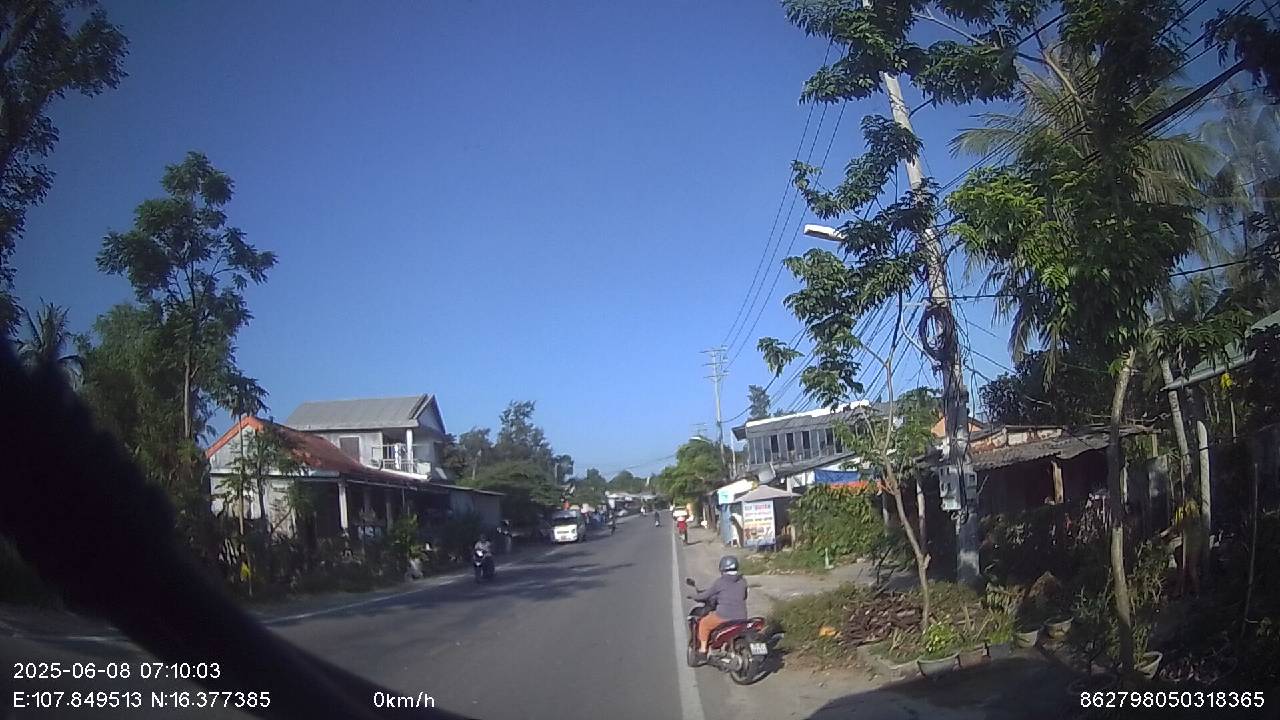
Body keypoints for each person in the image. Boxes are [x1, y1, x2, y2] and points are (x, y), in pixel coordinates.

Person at [692, 555, 749, 658]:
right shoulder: (743, 581)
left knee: (704, 623)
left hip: (724, 617)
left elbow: (706, 595)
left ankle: (703, 649)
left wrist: (694, 596)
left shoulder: (720, 582)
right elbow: (744, 596)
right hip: (742, 617)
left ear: (722, 568)